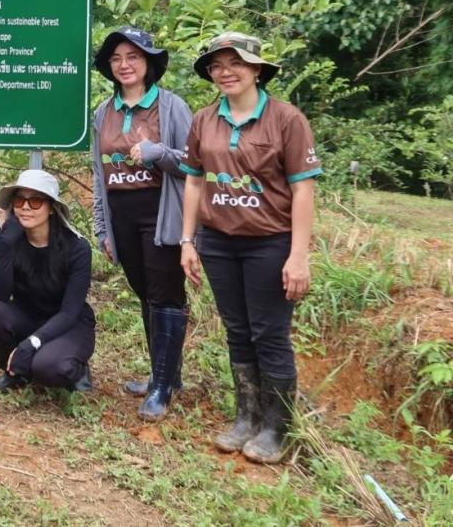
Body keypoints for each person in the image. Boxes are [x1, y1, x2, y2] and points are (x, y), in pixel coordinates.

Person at [178, 32, 321, 464]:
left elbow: (303, 191)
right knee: (237, 332)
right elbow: (194, 180)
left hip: (269, 243)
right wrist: (188, 240)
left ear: (256, 69)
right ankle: (246, 417)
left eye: (235, 63)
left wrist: (298, 255)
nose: (226, 72)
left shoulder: (286, 119)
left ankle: (277, 427)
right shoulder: (205, 120)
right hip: (219, 242)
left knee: (269, 335)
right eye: (217, 66)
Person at [90, 27, 193, 420]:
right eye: (116, 59)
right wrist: (104, 227)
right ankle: (165, 374)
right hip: (123, 214)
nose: (124, 65)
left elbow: (194, 164)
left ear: (148, 62)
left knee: (166, 295)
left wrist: (158, 153)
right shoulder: (104, 112)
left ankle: (162, 388)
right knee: (145, 293)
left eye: (133, 57)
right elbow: (99, 176)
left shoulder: (170, 107)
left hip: (161, 211)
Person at [0, 169, 95, 394]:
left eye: (36, 201)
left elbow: (69, 313)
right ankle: (15, 374)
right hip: (28, 315)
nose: (26, 207)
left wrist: (31, 343)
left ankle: (77, 368)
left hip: (68, 323)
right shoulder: (8, 238)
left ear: (51, 208)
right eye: (20, 200)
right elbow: (0, 294)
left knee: (49, 368)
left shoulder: (77, 248)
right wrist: (4, 245)